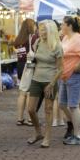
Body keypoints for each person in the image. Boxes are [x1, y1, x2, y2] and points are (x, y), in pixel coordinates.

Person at [25, 20, 63, 148]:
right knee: (30, 109)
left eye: (44, 29)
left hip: (49, 81)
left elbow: (60, 69)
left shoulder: (57, 46)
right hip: (36, 79)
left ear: (51, 31)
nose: (41, 32)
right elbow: (36, 60)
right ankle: (38, 132)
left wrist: (52, 84)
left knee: (48, 109)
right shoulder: (38, 42)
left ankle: (47, 137)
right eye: (40, 29)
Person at [58, 16, 80, 145]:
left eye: (62, 24)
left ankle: (77, 135)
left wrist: (78, 66)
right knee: (62, 104)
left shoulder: (77, 38)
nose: (61, 26)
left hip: (76, 76)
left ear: (69, 26)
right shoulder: (67, 37)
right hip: (66, 76)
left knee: (73, 105)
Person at [13, 18, 37, 125]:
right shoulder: (32, 38)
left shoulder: (18, 39)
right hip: (29, 66)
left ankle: (19, 118)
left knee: (21, 93)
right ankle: (30, 119)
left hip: (20, 65)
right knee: (29, 93)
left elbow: (17, 51)